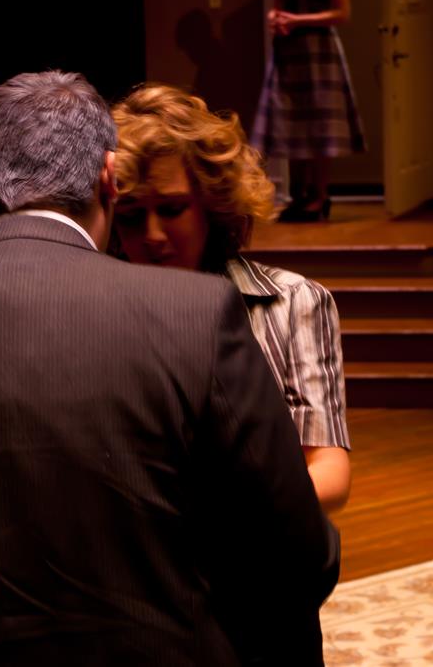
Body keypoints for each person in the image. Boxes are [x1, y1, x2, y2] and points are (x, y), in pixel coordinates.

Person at [0, 70, 339, 666]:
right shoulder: (194, 316)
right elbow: (297, 558)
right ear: (109, 181)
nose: (153, 235)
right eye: (134, 212)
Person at [112, 83, 351, 514]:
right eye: (130, 217)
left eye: (171, 210)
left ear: (212, 203)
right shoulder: (90, 310)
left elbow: (329, 472)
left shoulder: (293, 302)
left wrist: (225, 516)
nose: (152, 236)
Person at [252, 0, 367, 221]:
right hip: (290, 52)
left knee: (320, 127)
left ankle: (319, 196)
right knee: (293, 124)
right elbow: (278, 6)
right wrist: (276, 18)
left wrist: (298, 20)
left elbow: (342, 14)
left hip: (319, 53)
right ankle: (300, 196)